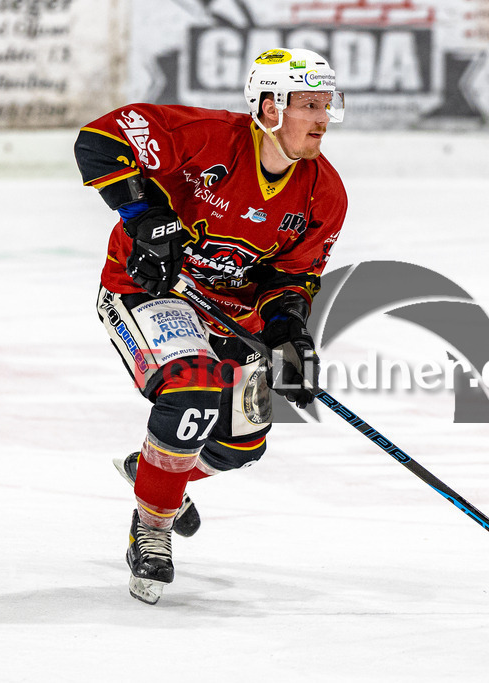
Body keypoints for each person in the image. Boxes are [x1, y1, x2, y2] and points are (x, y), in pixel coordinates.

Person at [74, 48, 348, 604]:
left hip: (228, 311)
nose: (323, 118)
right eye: (309, 104)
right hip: (148, 291)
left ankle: (152, 471)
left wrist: (287, 332)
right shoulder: (206, 139)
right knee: (192, 388)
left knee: (241, 443)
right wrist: (144, 214)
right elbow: (100, 140)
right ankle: (151, 529)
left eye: (329, 104)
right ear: (269, 107)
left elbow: (291, 279)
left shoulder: (325, 194)